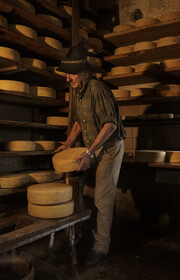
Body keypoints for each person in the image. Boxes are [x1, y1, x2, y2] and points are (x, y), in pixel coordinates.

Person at [55, 44, 126, 267]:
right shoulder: (77, 92)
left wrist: (89, 152)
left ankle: (100, 247)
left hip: (110, 147)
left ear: (85, 72)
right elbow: (78, 122)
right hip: (93, 147)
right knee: (85, 191)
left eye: (72, 73)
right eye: (67, 74)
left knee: (103, 198)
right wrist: (68, 143)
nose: (68, 78)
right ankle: (85, 235)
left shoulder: (98, 90)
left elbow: (110, 126)